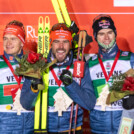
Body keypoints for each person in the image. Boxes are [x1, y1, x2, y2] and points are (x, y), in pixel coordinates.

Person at [20, 23, 96, 133]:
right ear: (51, 43)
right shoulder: (38, 65)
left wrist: (71, 84)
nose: (61, 46)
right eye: (56, 41)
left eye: (65, 41)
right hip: (44, 129)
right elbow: (26, 105)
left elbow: (89, 104)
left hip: (73, 129)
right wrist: (34, 89)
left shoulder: (79, 66)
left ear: (70, 44)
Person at [87, 14, 134, 134]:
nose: (106, 37)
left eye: (110, 32)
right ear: (95, 37)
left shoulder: (130, 59)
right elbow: (86, 98)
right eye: (101, 34)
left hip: (125, 121)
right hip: (99, 126)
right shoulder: (90, 64)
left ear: (115, 33)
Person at [0, 20, 34, 134]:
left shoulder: (32, 63)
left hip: (30, 121)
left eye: (13, 38)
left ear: (22, 42)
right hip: (4, 121)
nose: (8, 43)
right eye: (5, 38)